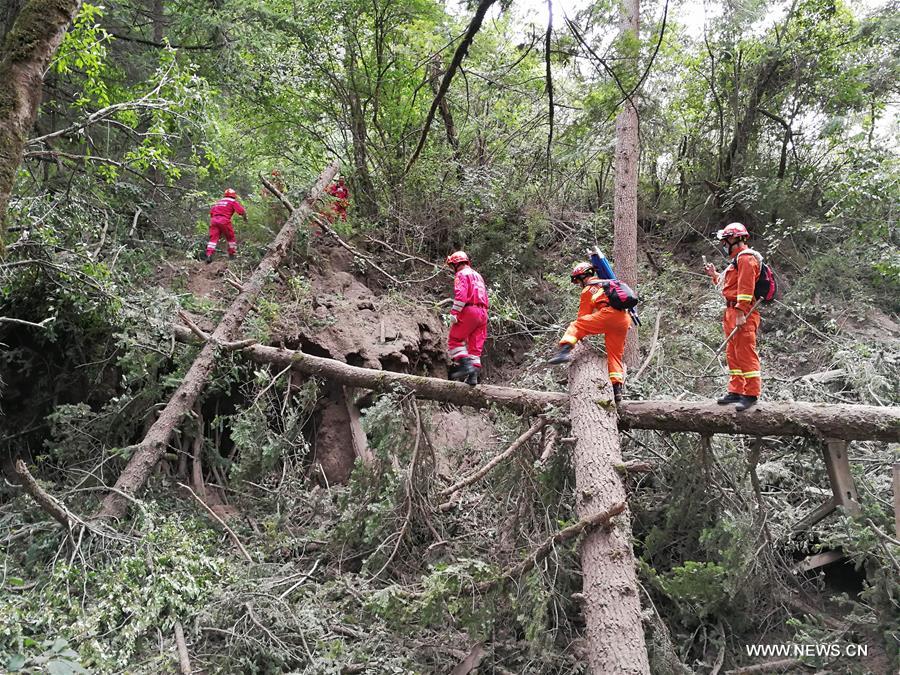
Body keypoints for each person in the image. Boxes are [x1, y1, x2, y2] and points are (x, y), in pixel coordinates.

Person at [548, 262, 631, 403]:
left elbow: (582, 316)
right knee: (615, 355)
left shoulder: (589, 289)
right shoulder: (608, 283)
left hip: (609, 315)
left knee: (576, 325)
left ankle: (564, 351)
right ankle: (617, 389)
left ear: (582, 277)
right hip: (624, 319)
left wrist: (579, 335)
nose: (578, 284)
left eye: (577, 280)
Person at [703, 222, 762, 412]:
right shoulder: (737, 261)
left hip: (743, 313)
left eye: (725, 241)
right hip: (731, 312)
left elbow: (746, 289)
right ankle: (736, 390)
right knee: (733, 353)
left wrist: (740, 313)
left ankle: (751, 394)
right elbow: (730, 285)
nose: (723, 245)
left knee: (745, 352)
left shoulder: (746, 259)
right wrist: (714, 275)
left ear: (734, 239)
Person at [445, 251, 489, 386]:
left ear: (456, 264)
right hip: (483, 312)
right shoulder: (478, 276)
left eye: (452, 265)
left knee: (454, 340)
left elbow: (461, 296)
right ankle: (473, 377)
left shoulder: (461, 274)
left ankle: (465, 366)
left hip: (470, 310)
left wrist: (454, 313)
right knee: (475, 348)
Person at [206, 188, 246, 263]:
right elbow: (241, 211)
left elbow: (211, 213)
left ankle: (209, 255)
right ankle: (232, 255)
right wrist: (245, 218)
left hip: (214, 220)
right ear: (234, 195)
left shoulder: (219, 202)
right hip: (224, 221)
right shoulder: (233, 201)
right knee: (231, 238)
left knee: (213, 239)